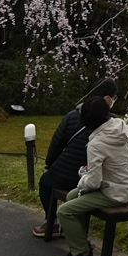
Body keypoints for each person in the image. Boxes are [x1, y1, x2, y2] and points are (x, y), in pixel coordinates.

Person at [56, 79, 128, 256]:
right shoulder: (118, 126)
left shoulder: (96, 143)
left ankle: (82, 253)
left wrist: (82, 178)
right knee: (70, 197)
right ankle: (80, 245)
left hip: (115, 193)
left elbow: (93, 182)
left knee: (64, 210)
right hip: (126, 184)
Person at [32, 100, 87, 240]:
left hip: (70, 176)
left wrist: (50, 163)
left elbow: (57, 143)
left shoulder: (73, 116)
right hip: (97, 178)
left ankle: (52, 222)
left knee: (46, 181)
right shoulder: (113, 120)